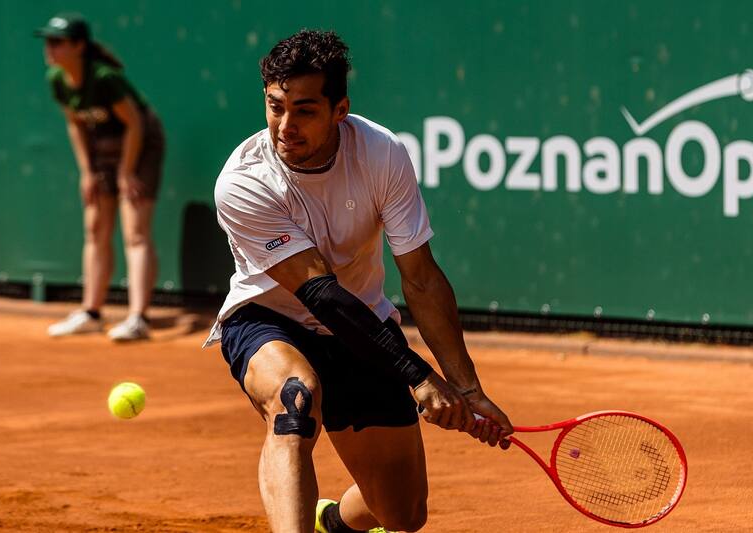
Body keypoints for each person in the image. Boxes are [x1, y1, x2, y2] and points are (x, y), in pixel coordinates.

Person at [205, 30, 513, 532]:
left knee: (403, 513)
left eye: (304, 110)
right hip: (269, 318)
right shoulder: (243, 182)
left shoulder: (381, 153)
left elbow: (421, 279)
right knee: (294, 399)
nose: (285, 126)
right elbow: (319, 292)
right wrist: (420, 376)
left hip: (361, 323)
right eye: (275, 106)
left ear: (339, 109)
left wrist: (466, 387)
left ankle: (334, 525)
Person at [35, 13, 164, 341]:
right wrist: (87, 172)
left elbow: (135, 123)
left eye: (57, 41)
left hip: (141, 142)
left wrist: (126, 172)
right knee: (95, 227)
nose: (49, 48)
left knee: (134, 230)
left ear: (79, 45)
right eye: (47, 41)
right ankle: (91, 312)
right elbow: (75, 123)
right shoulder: (57, 79)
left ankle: (139, 319)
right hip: (100, 146)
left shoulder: (105, 78)